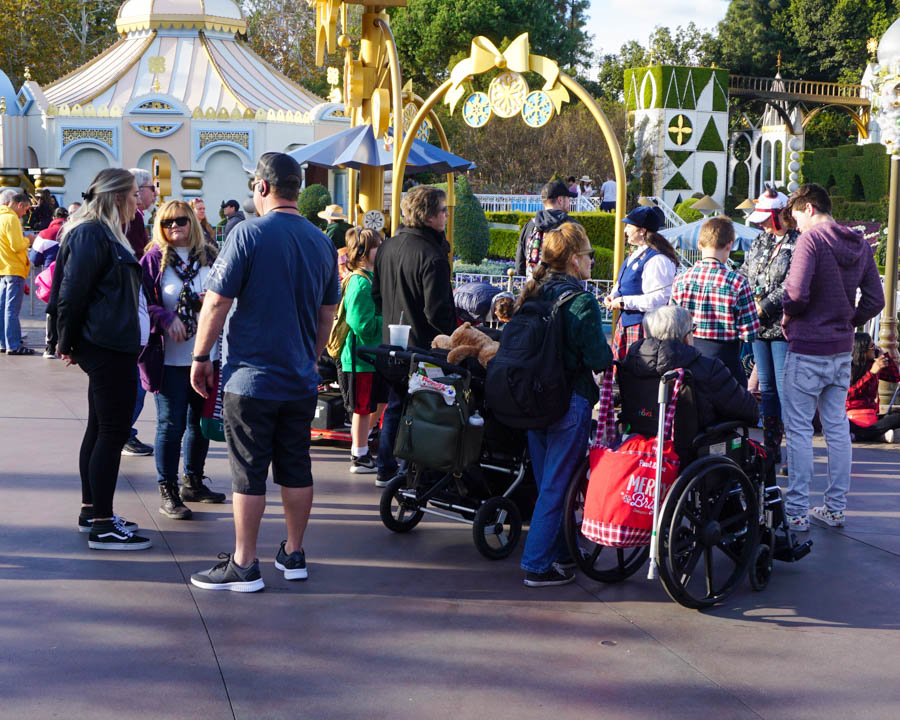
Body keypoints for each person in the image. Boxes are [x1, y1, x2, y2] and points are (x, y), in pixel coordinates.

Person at [188, 152, 339, 592]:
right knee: (296, 466)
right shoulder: (322, 242)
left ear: (263, 188)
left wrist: (201, 358)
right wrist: (310, 355)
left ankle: (245, 562)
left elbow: (216, 302)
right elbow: (328, 312)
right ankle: (294, 553)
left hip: (250, 377)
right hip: (298, 378)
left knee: (249, 471)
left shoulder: (246, 234)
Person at [55, 168, 151, 550]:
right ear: (115, 197)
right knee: (111, 432)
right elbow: (71, 291)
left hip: (109, 342)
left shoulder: (101, 233)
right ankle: (102, 523)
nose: (138, 203)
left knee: (100, 429)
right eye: (132, 196)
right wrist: (66, 340)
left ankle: (93, 512)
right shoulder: (93, 233)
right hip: (107, 344)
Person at [781, 184, 884, 531]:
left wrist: (788, 314)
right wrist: (849, 320)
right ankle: (835, 508)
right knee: (837, 428)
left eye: (796, 217)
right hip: (840, 347)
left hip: (808, 345)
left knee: (798, 430)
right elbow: (875, 300)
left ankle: (795, 510)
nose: (795, 226)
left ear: (809, 208)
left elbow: (795, 293)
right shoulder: (859, 244)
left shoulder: (811, 241)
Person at [515, 222, 612, 587]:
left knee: (548, 486)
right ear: (574, 260)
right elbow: (598, 358)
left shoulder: (534, 292)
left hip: (531, 401)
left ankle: (559, 554)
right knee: (558, 486)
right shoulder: (581, 301)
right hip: (568, 401)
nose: (591, 263)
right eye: (588, 256)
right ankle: (537, 565)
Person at [140, 200, 226, 520]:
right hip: (169, 360)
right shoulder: (153, 261)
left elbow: (230, 294)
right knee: (170, 425)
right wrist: (164, 316)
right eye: (166, 222)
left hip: (207, 356)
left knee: (200, 424)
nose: (174, 226)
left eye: (180, 220)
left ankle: (193, 480)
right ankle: (168, 489)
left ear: (191, 221)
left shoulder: (211, 257)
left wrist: (214, 301)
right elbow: (140, 303)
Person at [371, 185, 457, 488]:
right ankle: (411, 470)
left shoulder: (388, 246)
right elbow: (438, 311)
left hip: (391, 342)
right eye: (444, 211)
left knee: (396, 405)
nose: (447, 216)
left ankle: (385, 466)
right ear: (431, 216)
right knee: (424, 407)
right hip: (424, 345)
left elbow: (377, 295)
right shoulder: (432, 255)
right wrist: (453, 335)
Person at [620, 306, 759, 457]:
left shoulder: (631, 364)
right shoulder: (707, 368)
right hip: (690, 452)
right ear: (686, 336)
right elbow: (750, 412)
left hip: (640, 444)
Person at [742, 185, 799, 464]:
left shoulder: (798, 240)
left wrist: (764, 307)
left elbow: (793, 282)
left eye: (766, 219)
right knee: (766, 387)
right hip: (757, 325)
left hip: (782, 326)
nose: (763, 225)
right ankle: (772, 445)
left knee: (784, 387)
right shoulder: (760, 241)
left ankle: (793, 451)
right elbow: (745, 270)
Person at [671, 215, 759, 386]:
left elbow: (673, 323)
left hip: (690, 360)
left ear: (699, 245)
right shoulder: (737, 282)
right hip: (725, 363)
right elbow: (750, 332)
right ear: (729, 246)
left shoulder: (681, 280)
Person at [337, 227, 387, 473]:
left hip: (367, 357)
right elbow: (362, 324)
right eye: (378, 245)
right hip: (360, 358)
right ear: (366, 252)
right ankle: (359, 455)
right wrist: (386, 320)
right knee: (362, 409)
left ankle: (362, 447)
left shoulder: (364, 278)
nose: (382, 249)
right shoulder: (360, 282)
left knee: (371, 407)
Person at [605, 206, 678, 362]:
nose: (625, 230)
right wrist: (613, 295)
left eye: (629, 226)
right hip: (627, 324)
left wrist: (625, 302)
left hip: (644, 327)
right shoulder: (636, 254)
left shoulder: (658, 259)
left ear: (642, 231)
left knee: (638, 377)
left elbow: (659, 299)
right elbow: (622, 283)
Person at [121, 169, 157, 456]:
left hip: (134, 305)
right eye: (149, 188)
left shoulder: (135, 217)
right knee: (136, 377)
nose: (153, 193)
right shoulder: (132, 218)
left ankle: (123, 429)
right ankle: (124, 431)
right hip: (132, 305)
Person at [514, 180, 578, 277]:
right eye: (568, 198)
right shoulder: (572, 226)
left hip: (534, 288)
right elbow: (584, 262)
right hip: (564, 289)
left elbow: (520, 266)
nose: (570, 202)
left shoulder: (529, 226)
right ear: (560, 200)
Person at [846, 333, 900, 443]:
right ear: (862, 350)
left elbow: (895, 377)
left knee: (897, 416)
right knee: (837, 422)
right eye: (872, 346)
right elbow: (849, 394)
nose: (875, 348)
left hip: (871, 416)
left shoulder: (873, 364)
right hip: (850, 417)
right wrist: (871, 374)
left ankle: (861, 436)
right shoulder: (847, 367)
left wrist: (884, 356)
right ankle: (876, 435)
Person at [0, 191, 35, 355]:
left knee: (3, 309)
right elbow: (16, 245)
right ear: (20, 205)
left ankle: (3, 343)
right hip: (14, 268)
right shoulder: (12, 218)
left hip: (3, 268)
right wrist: (28, 239)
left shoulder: (1, 217)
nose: (25, 213)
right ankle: (13, 345)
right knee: (11, 310)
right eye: (26, 209)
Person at [31, 207, 69, 359]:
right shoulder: (74, 231)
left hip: (51, 275)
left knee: (52, 310)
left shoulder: (45, 233)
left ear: (54, 217)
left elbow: (34, 259)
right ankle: (67, 343)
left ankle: (50, 347)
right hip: (71, 274)